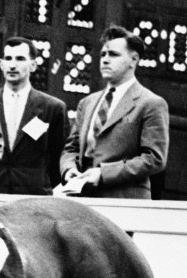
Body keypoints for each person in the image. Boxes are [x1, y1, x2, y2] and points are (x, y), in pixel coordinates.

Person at [60, 25, 169, 199]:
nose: (105, 60)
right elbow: (71, 149)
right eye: (103, 54)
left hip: (124, 200)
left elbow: (154, 159)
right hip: (81, 198)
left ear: (134, 60)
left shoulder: (150, 103)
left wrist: (103, 174)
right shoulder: (87, 103)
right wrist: (69, 169)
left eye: (113, 55)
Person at [0, 37, 67, 195]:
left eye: (20, 59)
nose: (13, 65)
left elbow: (58, 159)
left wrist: (38, 182)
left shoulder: (53, 108)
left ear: (33, 65)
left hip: (33, 196)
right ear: (1, 65)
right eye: (8, 59)